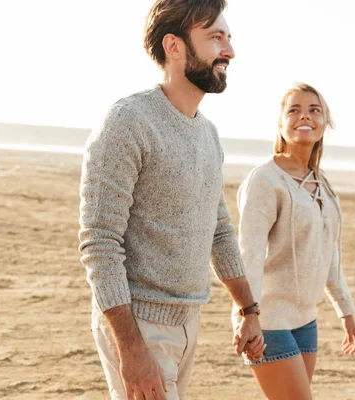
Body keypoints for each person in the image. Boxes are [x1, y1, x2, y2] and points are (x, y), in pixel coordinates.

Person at [78, 0, 265, 398]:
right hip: (139, 325)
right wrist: (131, 350)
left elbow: (218, 231)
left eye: (228, 38)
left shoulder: (208, 134)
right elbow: (99, 242)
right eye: (215, 37)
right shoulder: (129, 121)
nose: (229, 50)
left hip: (188, 321)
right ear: (174, 46)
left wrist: (248, 309)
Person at [234, 82, 355, 399]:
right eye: (294, 110)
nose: (305, 116)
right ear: (281, 123)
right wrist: (245, 317)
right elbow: (247, 254)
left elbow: (329, 256)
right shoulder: (265, 179)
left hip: (306, 320)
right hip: (269, 320)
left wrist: (346, 311)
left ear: (324, 123)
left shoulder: (323, 185)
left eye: (314, 110)